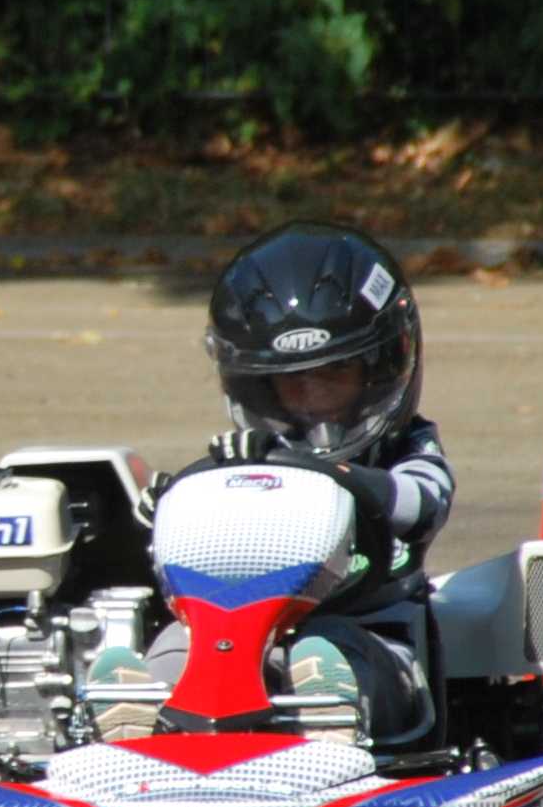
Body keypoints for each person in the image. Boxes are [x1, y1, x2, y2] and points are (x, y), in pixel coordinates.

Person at [101, 221, 455, 745]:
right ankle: (141, 714)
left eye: (334, 376)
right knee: (182, 640)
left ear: (380, 367)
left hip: (374, 636)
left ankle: (328, 717)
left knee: (329, 649)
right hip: (247, 636)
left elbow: (425, 501)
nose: (314, 398)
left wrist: (339, 477)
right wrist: (169, 503)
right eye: (294, 383)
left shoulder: (408, 445)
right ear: (260, 387)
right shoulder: (252, 460)